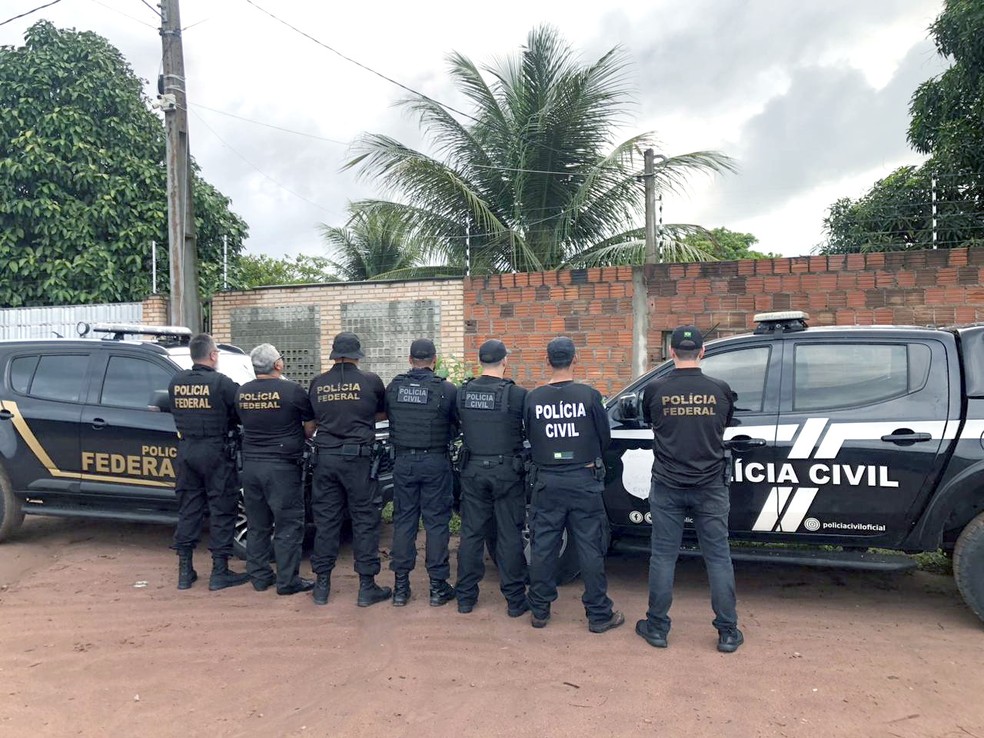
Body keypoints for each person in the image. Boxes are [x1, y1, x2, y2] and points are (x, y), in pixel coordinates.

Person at [637, 325, 742, 653]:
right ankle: (727, 632)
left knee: (663, 556)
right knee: (718, 557)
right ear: (702, 352)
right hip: (710, 485)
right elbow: (724, 425)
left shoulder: (655, 390)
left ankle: (657, 627)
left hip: (667, 485)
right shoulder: (720, 390)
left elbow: (649, 421)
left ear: (671, 352)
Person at [524, 336, 623, 633]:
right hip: (583, 479)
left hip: (547, 481)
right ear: (575, 359)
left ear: (547, 361)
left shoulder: (533, 398)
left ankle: (539, 610)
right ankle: (599, 614)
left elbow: (530, 435)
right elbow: (604, 437)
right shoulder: (589, 396)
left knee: (543, 546)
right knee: (590, 547)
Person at [308, 332, 391, 607]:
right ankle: (366, 587)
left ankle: (321, 586)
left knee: (326, 522)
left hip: (325, 460)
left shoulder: (317, 383)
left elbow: (312, 422)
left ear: (334, 354)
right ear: (357, 355)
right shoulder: (371, 381)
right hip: (359, 461)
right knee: (364, 520)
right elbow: (382, 413)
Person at [168, 333, 249, 591]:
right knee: (222, 508)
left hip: (186, 451)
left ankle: (185, 572)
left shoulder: (176, 382)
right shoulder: (222, 383)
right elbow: (241, 412)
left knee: (189, 509)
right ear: (213, 355)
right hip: (216, 452)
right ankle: (219, 572)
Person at [453, 339, 529, 616]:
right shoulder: (518, 394)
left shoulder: (462, 393)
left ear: (480, 361)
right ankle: (515, 601)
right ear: (504, 361)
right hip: (506, 471)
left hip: (473, 470)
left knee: (471, 534)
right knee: (509, 535)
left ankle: (465, 598)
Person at [236, 343, 317, 596]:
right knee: (288, 525)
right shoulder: (292, 390)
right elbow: (310, 427)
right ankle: (287, 581)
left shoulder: (242, 392)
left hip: (251, 466)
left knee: (258, 525)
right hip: (282, 468)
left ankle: (259, 577)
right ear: (278, 364)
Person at [385, 338, 458, 607]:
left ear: (410, 359)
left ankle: (400, 588)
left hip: (404, 462)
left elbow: (390, 417)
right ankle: (437, 588)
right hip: (435, 461)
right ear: (434, 360)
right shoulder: (446, 389)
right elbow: (455, 424)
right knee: (436, 522)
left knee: (404, 520)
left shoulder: (394, 387)